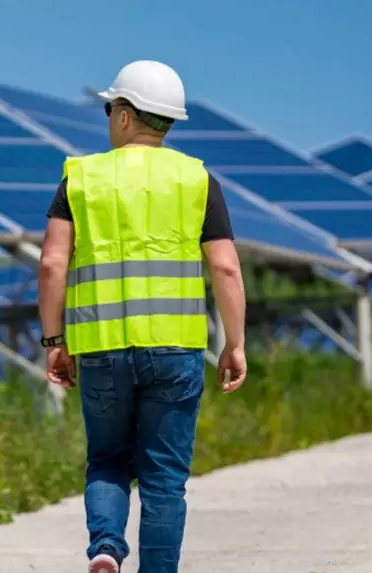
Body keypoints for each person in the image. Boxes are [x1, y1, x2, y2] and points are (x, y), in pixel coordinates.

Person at [38, 59, 249, 573]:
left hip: (102, 347)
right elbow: (224, 266)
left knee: (108, 460)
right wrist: (235, 343)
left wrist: (53, 342)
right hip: (176, 351)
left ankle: (107, 547)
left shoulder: (81, 179)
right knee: (164, 478)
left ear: (127, 116)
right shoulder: (196, 180)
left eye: (111, 107)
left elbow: (50, 263)